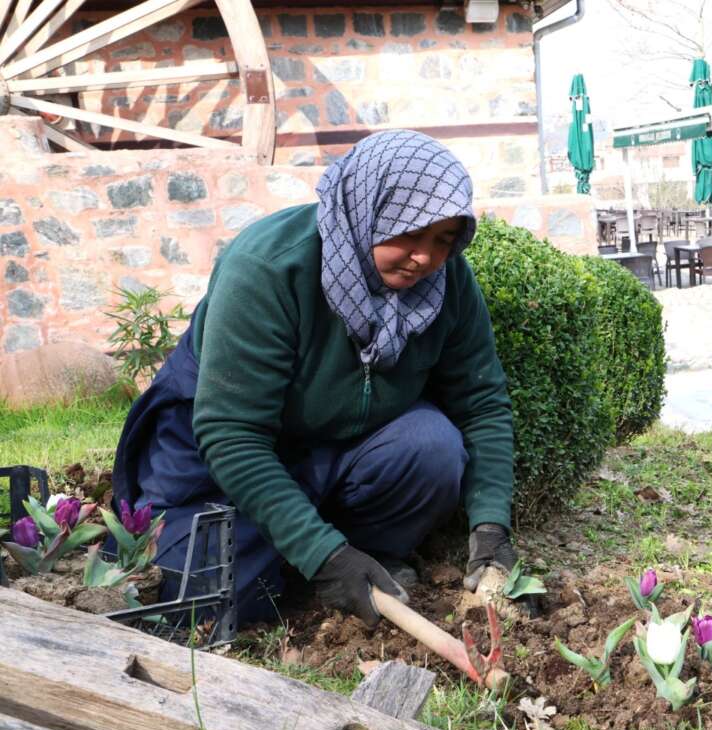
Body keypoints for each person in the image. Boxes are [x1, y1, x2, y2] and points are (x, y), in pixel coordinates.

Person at [112, 130, 517, 626]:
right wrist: (323, 555)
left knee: (432, 446)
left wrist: (491, 527)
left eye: (444, 240)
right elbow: (231, 436)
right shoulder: (268, 268)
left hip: (337, 450)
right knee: (205, 603)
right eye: (410, 233)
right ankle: (314, 555)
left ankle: (359, 553)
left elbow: (482, 404)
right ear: (368, 209)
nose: (426, 258)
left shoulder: (447, 282)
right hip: (216, 469)